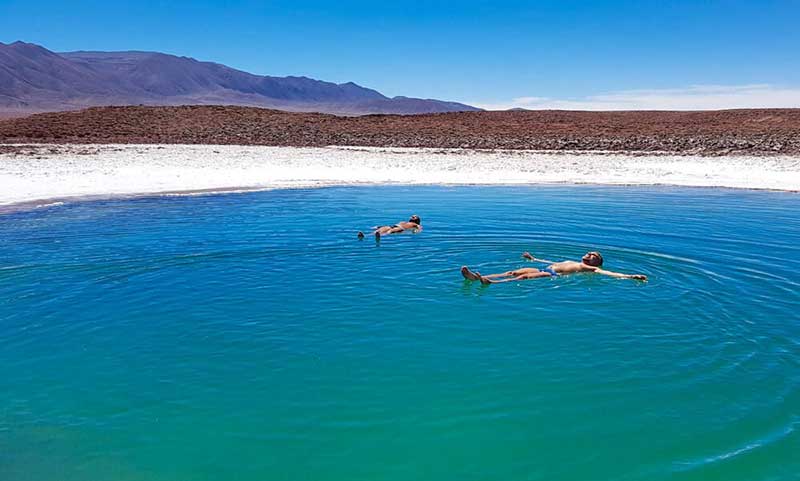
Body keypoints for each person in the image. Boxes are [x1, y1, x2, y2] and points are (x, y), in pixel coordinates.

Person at [461, 250, 647, 284]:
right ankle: (476, 277)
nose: (589, 254)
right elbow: (549, 261)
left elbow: (610, 273)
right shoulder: (571, 260)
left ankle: (491, 283)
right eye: (589, 253)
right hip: (545, 269)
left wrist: (630, 276)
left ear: (596, 262)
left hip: (552, 276)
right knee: (512, 271)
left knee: (522, 277)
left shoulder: (592, 269)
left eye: (593, 255)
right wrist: (533, 259)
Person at [358, 215, 422, 239]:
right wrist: (378, 226)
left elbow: (419, 228)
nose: (412, 217)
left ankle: (380, 236)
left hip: (400, 228)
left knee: (389, 232)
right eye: (412, 216)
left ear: (417, 220)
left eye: (414, 217)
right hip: (391, 226)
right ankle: (365, 235)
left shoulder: (416, 224)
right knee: (379, 230)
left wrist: (417, 231)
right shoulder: (404, 221)